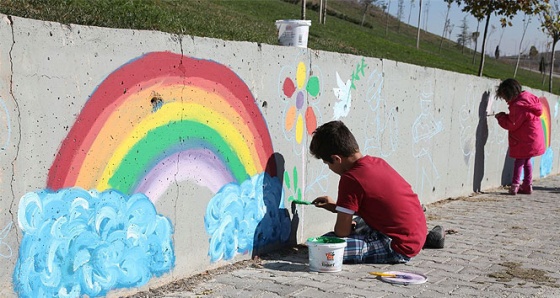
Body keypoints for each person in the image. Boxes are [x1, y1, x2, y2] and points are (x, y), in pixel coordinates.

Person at [309, 120, 444, 264]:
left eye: (327, 163)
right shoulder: (376, 162)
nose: (329, 168)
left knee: (322, 249)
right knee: (358, 221)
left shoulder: (350, 178)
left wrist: (346, 223)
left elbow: (342, 232)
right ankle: (429, 239)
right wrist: (337, 208)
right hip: (415, 233)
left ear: (336, 159)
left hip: (397, 247)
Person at [494, 78, 545, 195]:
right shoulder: (528, 99)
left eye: (505, 97)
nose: (505, 101)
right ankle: (527, 185)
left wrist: (501, 117)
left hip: (524, 139)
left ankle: (515, 185)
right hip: (533, 137)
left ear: (509, 94)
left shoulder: (518, 106)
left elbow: (512, 124)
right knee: (527, 161)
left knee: (519, 161)